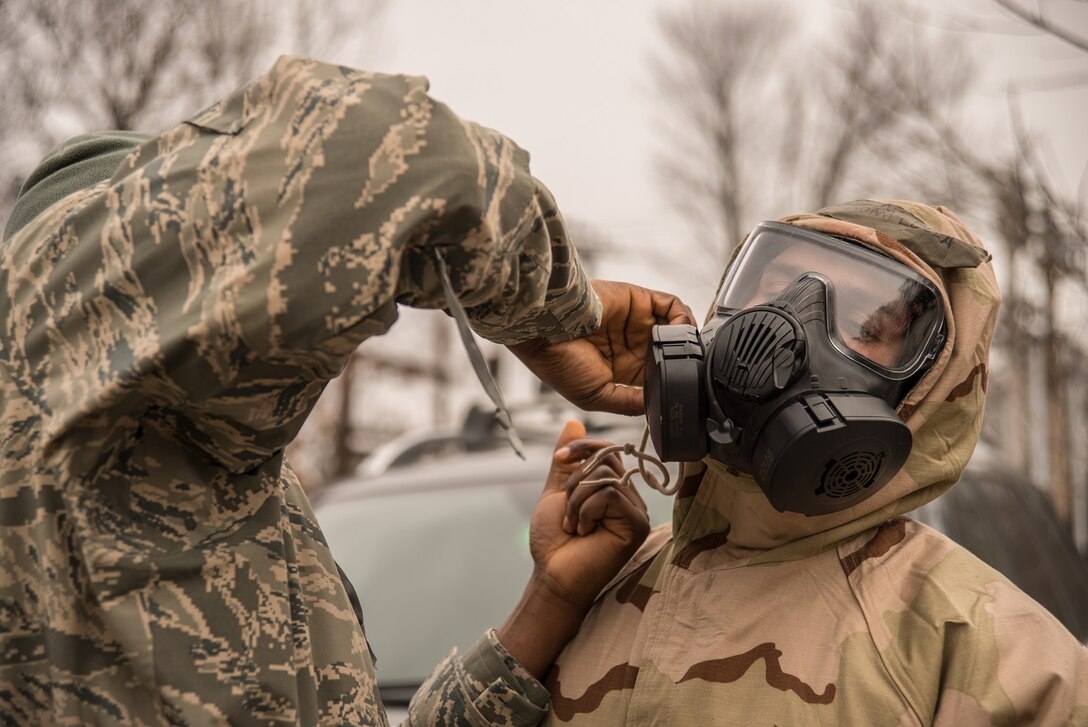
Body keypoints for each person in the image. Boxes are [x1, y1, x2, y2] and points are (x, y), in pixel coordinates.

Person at [0, 55, 692, 725]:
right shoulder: (62, 392)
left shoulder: (226, 487)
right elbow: (392, 154)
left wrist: (549, 600)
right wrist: (564, 310)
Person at [543, 200, 1088, 725]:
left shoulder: (990, 653)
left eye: (866, 327)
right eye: (774, 291)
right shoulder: (594, 581)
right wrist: (547, 601)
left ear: (925, 393)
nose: (779, 327)